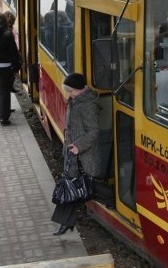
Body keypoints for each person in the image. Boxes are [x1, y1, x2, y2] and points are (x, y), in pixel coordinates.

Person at [52, 72, 101, 236]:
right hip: (74, 152)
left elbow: (94, 132)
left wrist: (78, 147)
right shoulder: (76, 101)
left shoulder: (87, 105)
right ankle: (65, 223)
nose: (68, 94)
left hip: (81, 154)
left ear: (80, 90)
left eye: (71, 91)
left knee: (73, 186)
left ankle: (65, 223)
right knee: (72, 186)